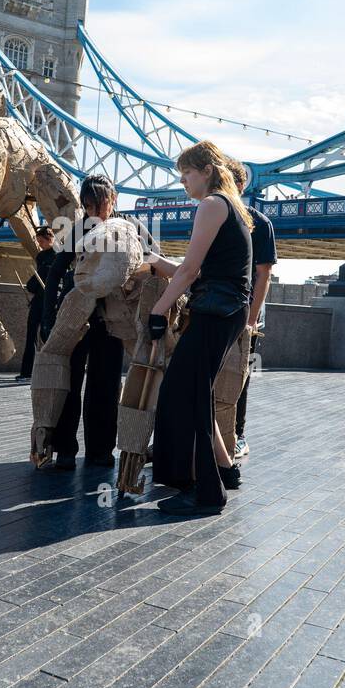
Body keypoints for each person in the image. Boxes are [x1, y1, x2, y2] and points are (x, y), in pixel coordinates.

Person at [148, 141, 253, 515]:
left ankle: (203, 491)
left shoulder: (211, 205)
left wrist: (159, 310)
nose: (183, 183)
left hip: (215, 311)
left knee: (180, 391)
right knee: (197, 391)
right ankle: (223, 470)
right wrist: (154, 261)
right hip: (227, 310)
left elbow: (191, 271)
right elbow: (193, 269)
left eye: (187, 174)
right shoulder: (233, 208)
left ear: (206, 171)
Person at [40, 175, 125, 471]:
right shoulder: (80, 229)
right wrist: (48, 317)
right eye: (88, 205)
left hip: (113, 320)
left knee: (106, 386)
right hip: (76, 316)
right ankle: (64, 449)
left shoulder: (127, 228)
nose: (94, 212)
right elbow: (54, 273)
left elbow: (149, 263)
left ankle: (100, 451)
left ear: (112, 200)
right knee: (69, 381)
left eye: (99, 204)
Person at [227, 161, 277, 461]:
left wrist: (251, 318)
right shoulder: (210, 217)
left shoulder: (260, 223)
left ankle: (237, 434)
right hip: (211, 311)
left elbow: (264, 275)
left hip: (243, 314)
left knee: (238, 377)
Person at [16, 225, 56, 381]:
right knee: (31, 335)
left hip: (50, 301)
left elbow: (46, 278)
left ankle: (49, 371)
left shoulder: (58, 256)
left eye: (41, 241)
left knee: (47, 335)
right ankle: (27, 372)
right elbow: (38, 278)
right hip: (38, 300)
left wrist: (32, 285)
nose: (39, 244)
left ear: (50, 239)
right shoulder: (41, 257)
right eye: (38, 241)